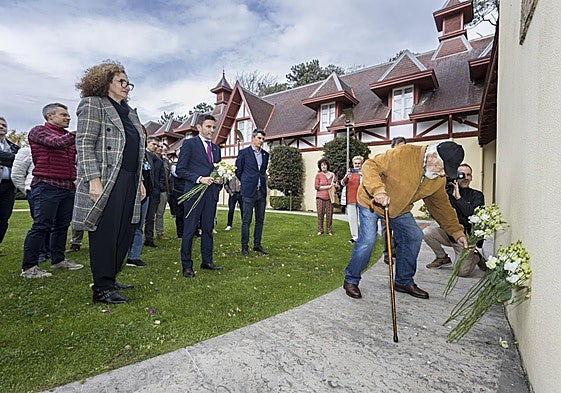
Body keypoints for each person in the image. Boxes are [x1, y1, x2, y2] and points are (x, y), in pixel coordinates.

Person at [343, 141, 468, 300]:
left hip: (399, 209)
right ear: (432, 157)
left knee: (414, 236)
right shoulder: (404, 153)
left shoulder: (437, 179)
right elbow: (370, 165)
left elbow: (442, 207)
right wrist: (378, 191)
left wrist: (457, 232)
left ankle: (403, 281)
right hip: (371, 202)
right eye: (442, 168)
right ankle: (351, 279)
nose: (443, 174)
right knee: (368, 239)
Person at [73, 61, 145, 304]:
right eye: (122, 82)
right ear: (106, 83)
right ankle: (101, 288)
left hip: (130, 178)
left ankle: (111, 278)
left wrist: (140, 180)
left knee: (125, 230)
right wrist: (93, 179)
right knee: (106, 231)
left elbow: (137, 150)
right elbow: (83, 144)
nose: (127, 87)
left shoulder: (129, 112)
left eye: (128, 83)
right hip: (106, 177)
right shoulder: (93, 104)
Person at [20, 103, 83, 278]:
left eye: (68, 115)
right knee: (41, 226)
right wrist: (81, 132)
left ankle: (58, 260)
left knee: (62, 226)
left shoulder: (67, 137)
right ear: (50, 116)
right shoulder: (38, 131)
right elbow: (55, 144)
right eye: (63, 115)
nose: (68, 117)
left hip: (67, 186)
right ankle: (29, 267)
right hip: (47, 185)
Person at [176, 114, 223, 278]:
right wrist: (199, 179)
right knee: (189, 230)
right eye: (208, 127)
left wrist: (219, 180)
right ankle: (187, 266)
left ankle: (207, 261)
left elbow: (217, 169)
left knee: (208, 229)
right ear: (199, 127)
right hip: (193, 194)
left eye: (213, 127)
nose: (211, 130)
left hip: (210, 195)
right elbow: (180, 170)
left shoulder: (217, 149)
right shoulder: (189, 144)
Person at [424, 163, 486, 276]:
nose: (465, 178)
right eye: (462, 175)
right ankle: (442, 257)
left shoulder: (477, 195)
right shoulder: (447, 193)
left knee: (461, 272)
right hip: (449, 235)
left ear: (471, 177)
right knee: (427, 232)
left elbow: (472, 214)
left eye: (468, 175)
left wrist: (458, 198)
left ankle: (476, 256)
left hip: (465, 240)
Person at [11, 146, 51, 262]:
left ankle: (50, 251)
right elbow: (16, 174)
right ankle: (39, 253)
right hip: (36, 190)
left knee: (53, 223)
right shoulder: (26, 151)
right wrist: (28, 190)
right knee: (40, 223)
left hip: (55, 190)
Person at [236, 129, 269, 256]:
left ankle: (257, 244)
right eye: (259, 138)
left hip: (261, 192)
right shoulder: (244, 153)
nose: (261, 141)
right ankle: (244, 247)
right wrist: (246, 181)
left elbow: (262, 172)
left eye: (263, 139)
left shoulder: (265, 155)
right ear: (253, 138)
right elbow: (238, 171)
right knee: (246, 221)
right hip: (248, 191)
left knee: (260, 220)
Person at [383, 137, 407, 263]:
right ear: (393, 147)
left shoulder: (406, 164)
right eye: (399, 147)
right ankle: (388, 252)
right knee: (386, 228)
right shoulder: (386, 161)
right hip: (386, 200)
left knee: (400, 228)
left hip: (401, 201)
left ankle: (397, 251)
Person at [0, 116, 19, 257]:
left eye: (3, 124)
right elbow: (15, 159)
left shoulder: (12, 146)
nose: (1, 126)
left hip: (8, 186)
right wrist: (11, 159)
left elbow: (19, 161)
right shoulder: (12, 150)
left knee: (3, 218)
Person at [144, 136, 163, 247]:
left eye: (157, 145)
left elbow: (161, 176)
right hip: (142, 190)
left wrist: (159, 187)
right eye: (153, 144)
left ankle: (149, 239)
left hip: (154, 192)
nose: (156, 147)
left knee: (150, 217)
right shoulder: (142, 155)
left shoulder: (159, 161)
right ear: (147, 143)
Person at [341, 156, 363, 243]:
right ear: (353, 164)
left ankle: (363, 236)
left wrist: (362, 175)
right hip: (350, 198)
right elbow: (342, 183)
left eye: (359, 163)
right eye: (355, 163)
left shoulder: (364, 173)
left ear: (361, 164)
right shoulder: (350, 173)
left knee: (362, 219)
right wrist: (347, 176)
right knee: (352, 218)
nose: (357, 165)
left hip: (361, 199)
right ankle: (355, 237)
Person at [314, 158, 338, 236]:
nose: (323, 166)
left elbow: (337, 186)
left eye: (325, 165)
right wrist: (328, 187)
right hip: (320, 197)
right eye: (322, 165)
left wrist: (335, 186)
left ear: (327, 166)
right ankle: (320, 230)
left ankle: (329, 230)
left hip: (330, 198)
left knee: (329, 214)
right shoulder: (318, 175)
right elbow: (317, 187)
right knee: (320, 214)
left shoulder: (332, 175)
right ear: (320, 167)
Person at [155, 143, 170, 240]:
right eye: (158, 146)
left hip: (163, 190)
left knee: (160, 213)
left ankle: (159, 233)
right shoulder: (149, 158)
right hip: (152, 190)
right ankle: (147, 235)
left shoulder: (166, 161)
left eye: (162, 147)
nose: (160, 148)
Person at [169, 160, 186, 238]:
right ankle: (180, 233)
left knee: (189, 212)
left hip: (186, 190)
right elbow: (178, 174)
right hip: (177, 191)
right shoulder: (174, 166)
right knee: (179, 214)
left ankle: (194, 231)